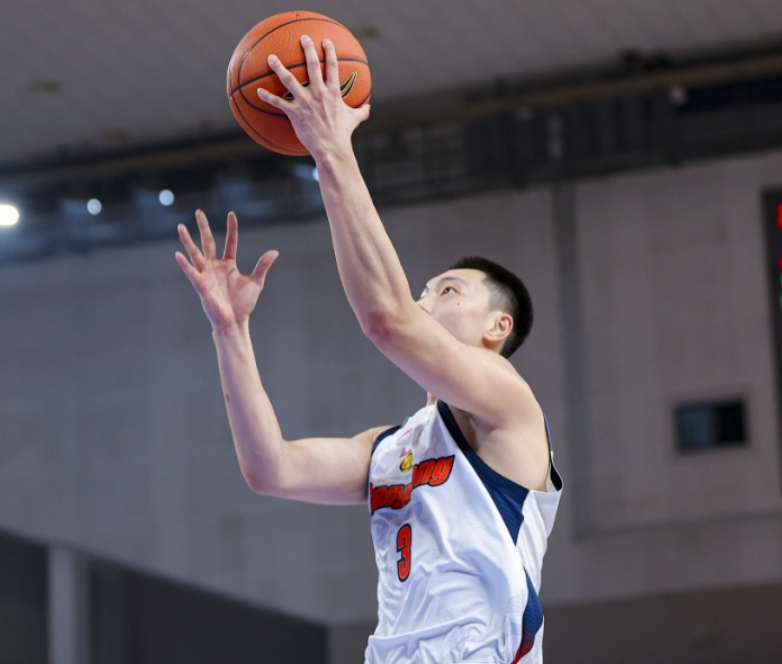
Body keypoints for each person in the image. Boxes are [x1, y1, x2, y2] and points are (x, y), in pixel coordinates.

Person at [175, 35, 562, 664]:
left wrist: (331, 149)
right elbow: (272, 469)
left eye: (448, 290)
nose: (424, 301)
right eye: (423, 291)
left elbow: (387, 319)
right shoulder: (389, 449)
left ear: (499, 327)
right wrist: (230, 331)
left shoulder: (509, 404)